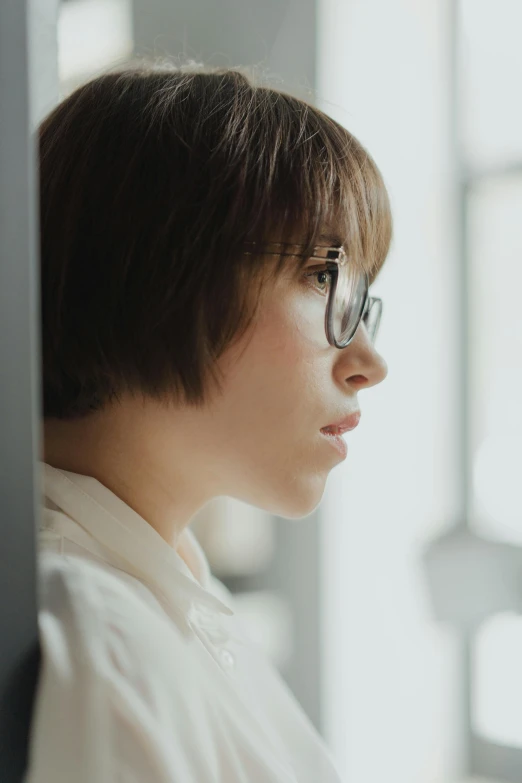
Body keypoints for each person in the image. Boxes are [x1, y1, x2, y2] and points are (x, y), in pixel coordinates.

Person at [25, 61, 391, 783]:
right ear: (160, 269)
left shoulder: (173, 584)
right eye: (325, 279)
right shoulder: (106, 639)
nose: (368, 362)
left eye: (358, 298)